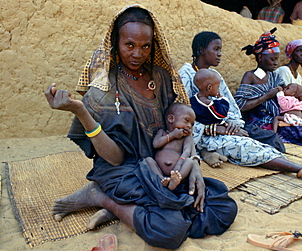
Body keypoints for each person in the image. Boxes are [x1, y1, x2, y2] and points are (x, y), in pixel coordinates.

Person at [44, 5, 238, 249]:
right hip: (124, 171)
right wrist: (80, 111)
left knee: (222, 208)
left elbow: (185, 124)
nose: (138, 53)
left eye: (145, 46)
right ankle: (103, 197)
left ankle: (128, 207)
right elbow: (114, 159)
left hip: (162, 167)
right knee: (170, 230)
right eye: (129, 45)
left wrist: (193, 162)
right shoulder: (101, 91)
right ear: (116, 43)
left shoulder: (161, 78)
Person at [179, 31, 302, 185]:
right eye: (216, 49)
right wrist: (215, 129)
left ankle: (299, 166)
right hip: (202, 134)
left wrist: (233, 123)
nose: (220, 54)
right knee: (247, 147)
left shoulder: (216, 75)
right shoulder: (184, 75)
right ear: (201, 50)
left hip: (227, 128)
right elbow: (182, 116)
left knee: (271, 142)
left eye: (220, 49)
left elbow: (232, 108)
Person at [146, 102, 196, 190]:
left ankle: (176, 180)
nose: (189, 126)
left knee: (189, 162)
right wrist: (172, 135)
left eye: (192, 124)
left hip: (178, 169)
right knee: (148, 160)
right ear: (171, 119)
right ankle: (162, 180)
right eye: (187, 120)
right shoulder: (162, 132)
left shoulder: (186, 138)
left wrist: (179, 164)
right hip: (159, 168)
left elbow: (187, 151)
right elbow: (155, 144)